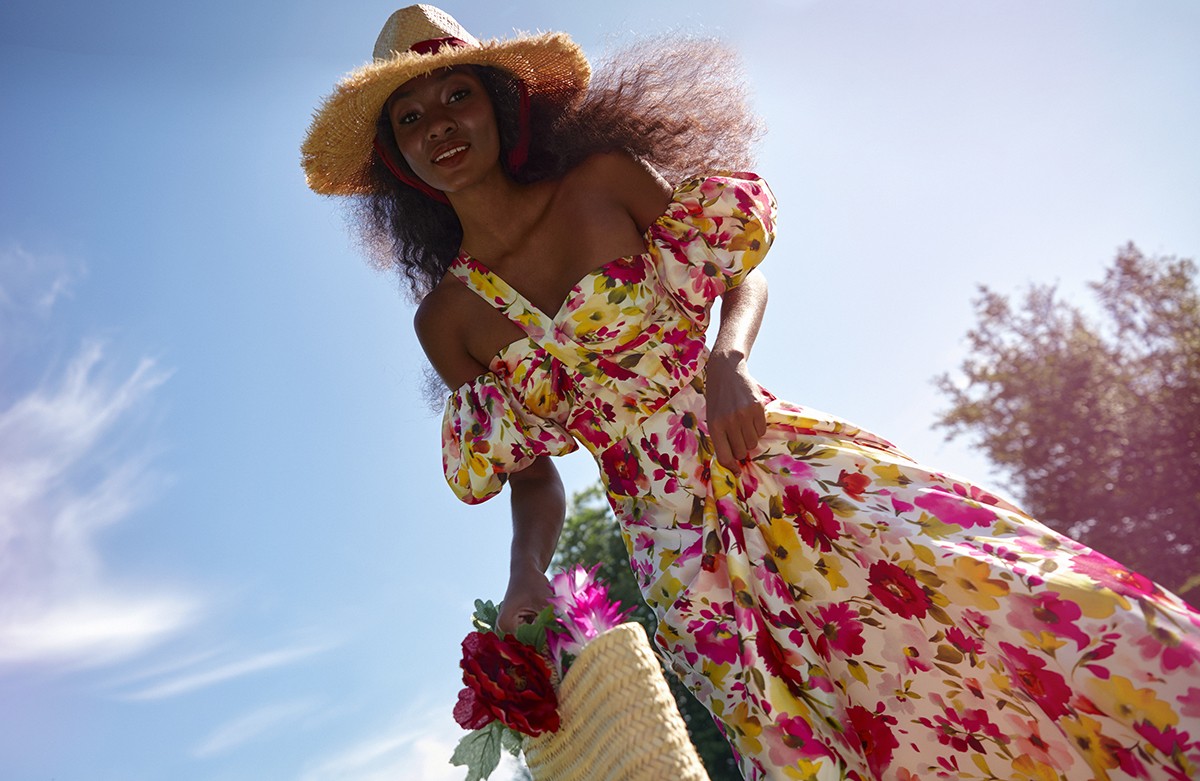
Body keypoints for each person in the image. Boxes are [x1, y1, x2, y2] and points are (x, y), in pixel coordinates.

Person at [303, 6, 1200, 779]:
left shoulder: (603, 179)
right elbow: (534, 475)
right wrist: (525, 574)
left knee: (1005, 597)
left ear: (500, 102)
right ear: (400, 161)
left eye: (457, 93)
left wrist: (727, 359)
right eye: (411, 117)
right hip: (676, 550)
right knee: (807, 740)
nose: (439, 123)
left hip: (777, 461)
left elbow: (741, 273)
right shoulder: (450, 317)